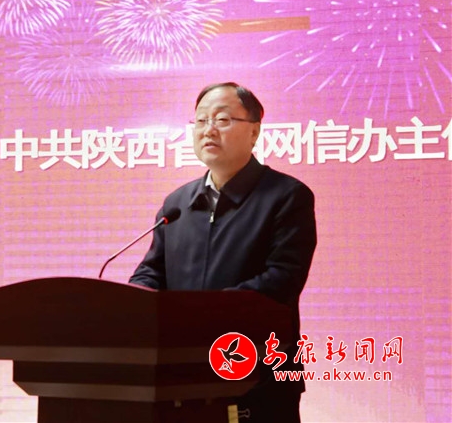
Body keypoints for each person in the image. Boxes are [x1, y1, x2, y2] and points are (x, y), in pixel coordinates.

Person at [129, 82, 317, 422]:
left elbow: (282, 279)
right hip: (182, 375)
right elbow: (152, 272)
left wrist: (202, 316)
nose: (208, 130)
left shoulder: (287, 196)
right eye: (201, 120)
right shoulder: (177, 204)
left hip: (258, 374)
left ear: (254, 131)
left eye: (222, 119)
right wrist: (131, 305)